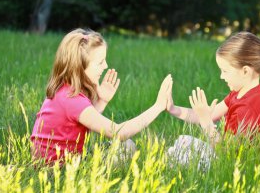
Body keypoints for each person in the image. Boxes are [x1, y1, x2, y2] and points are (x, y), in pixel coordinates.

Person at [30, 28, 172, 164]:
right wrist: (158, 106)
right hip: (58, 170)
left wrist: (102, 100)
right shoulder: (73, 100)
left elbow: (81, 125)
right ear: (79, 67)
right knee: (126, 148)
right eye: (100, 62)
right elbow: (118, 132)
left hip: (57, 163)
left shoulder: (65, 91)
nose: (105, 66)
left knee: (125, 146)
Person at [167, 32, 260, 165]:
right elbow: (207, 115)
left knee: (176, 156)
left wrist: (206, 122)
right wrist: (173, 109)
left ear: (245, 71)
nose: (221, 77)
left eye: (225, 71)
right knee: (182, 141)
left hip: (238, 167)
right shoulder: (238, 94)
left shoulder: (249, 109)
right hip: (225, 156)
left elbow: (227, 154)